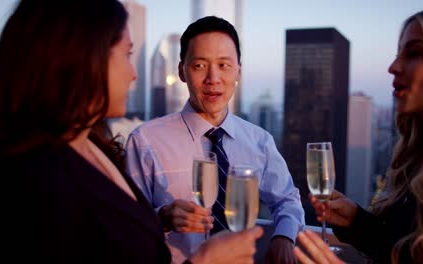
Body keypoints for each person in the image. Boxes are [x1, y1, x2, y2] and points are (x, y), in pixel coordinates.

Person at [0, 0, 263, 263]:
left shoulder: (93, 147)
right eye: (127, 54)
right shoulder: (35, 182)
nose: (133, 73)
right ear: (84, 59)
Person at [125, 16, 305, 263]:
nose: (213, 79)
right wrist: (162, 217)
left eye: (224, 65)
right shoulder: (145, 141)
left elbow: (287, 200)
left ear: (238, 71)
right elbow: (125, 226)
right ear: (182, 71)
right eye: (199, 65)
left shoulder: (259, 141)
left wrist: (284, 238)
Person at [305, 2, 423, 264]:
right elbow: (405, 249)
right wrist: (356, 221)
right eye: (398, 53)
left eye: (413, 53)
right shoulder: (422, 155)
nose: (393, 66)